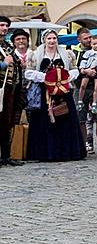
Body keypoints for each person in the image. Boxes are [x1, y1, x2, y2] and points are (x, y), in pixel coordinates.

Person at [24, 30, 86, 162]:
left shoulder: (67, 54)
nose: (52, 41)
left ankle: (67, 151)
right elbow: (28, 73)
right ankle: (45, 152)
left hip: (63, 91)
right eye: (49, 39)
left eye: (54, 38)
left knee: (65, 119)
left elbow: (75, 69)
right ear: (44, 40)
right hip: (44, 92)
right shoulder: (35, 55)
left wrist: (65, 77)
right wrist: (46, 77)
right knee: (44, 121)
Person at [0, 18, 25, 166]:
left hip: (10, 89)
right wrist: (4, 64)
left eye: (6, 26)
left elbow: (13, 61)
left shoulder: (7, 45)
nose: (4, 28)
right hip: (0, 88)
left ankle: (5, 156)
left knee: (6, 122)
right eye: (1, 25)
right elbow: (5, 63)